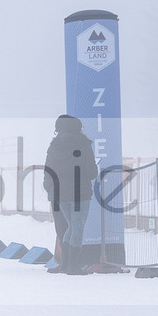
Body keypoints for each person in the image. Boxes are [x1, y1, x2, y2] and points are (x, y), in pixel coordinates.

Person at [44, 114, 98, 275]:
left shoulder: (54, 147)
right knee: (77, 229)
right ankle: (73, 266)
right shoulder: (84, 145)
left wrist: (50, 189)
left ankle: (64, 264)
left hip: (59, 195)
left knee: (66, 229)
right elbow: (92, 172)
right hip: (79, 194)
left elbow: (48, 170)